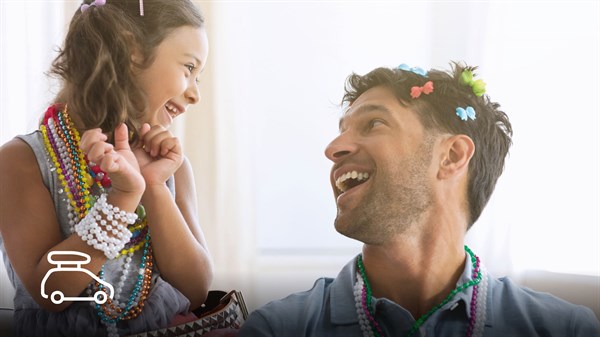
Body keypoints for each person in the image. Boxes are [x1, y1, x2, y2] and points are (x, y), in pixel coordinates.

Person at [237, 63, 600, 337]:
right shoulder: (277, 327)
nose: (333, 149)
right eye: (341, 132)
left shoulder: (566, 329)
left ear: (453, 156)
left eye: (374, 124)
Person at [0, 0, 214, 336]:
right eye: (188, 68)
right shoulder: (20, 161)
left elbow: (196, 288)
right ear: (131, 51)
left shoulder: (171, 167)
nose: (194, 94)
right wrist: (123, 198)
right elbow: (50, 291)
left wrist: (154, 187)